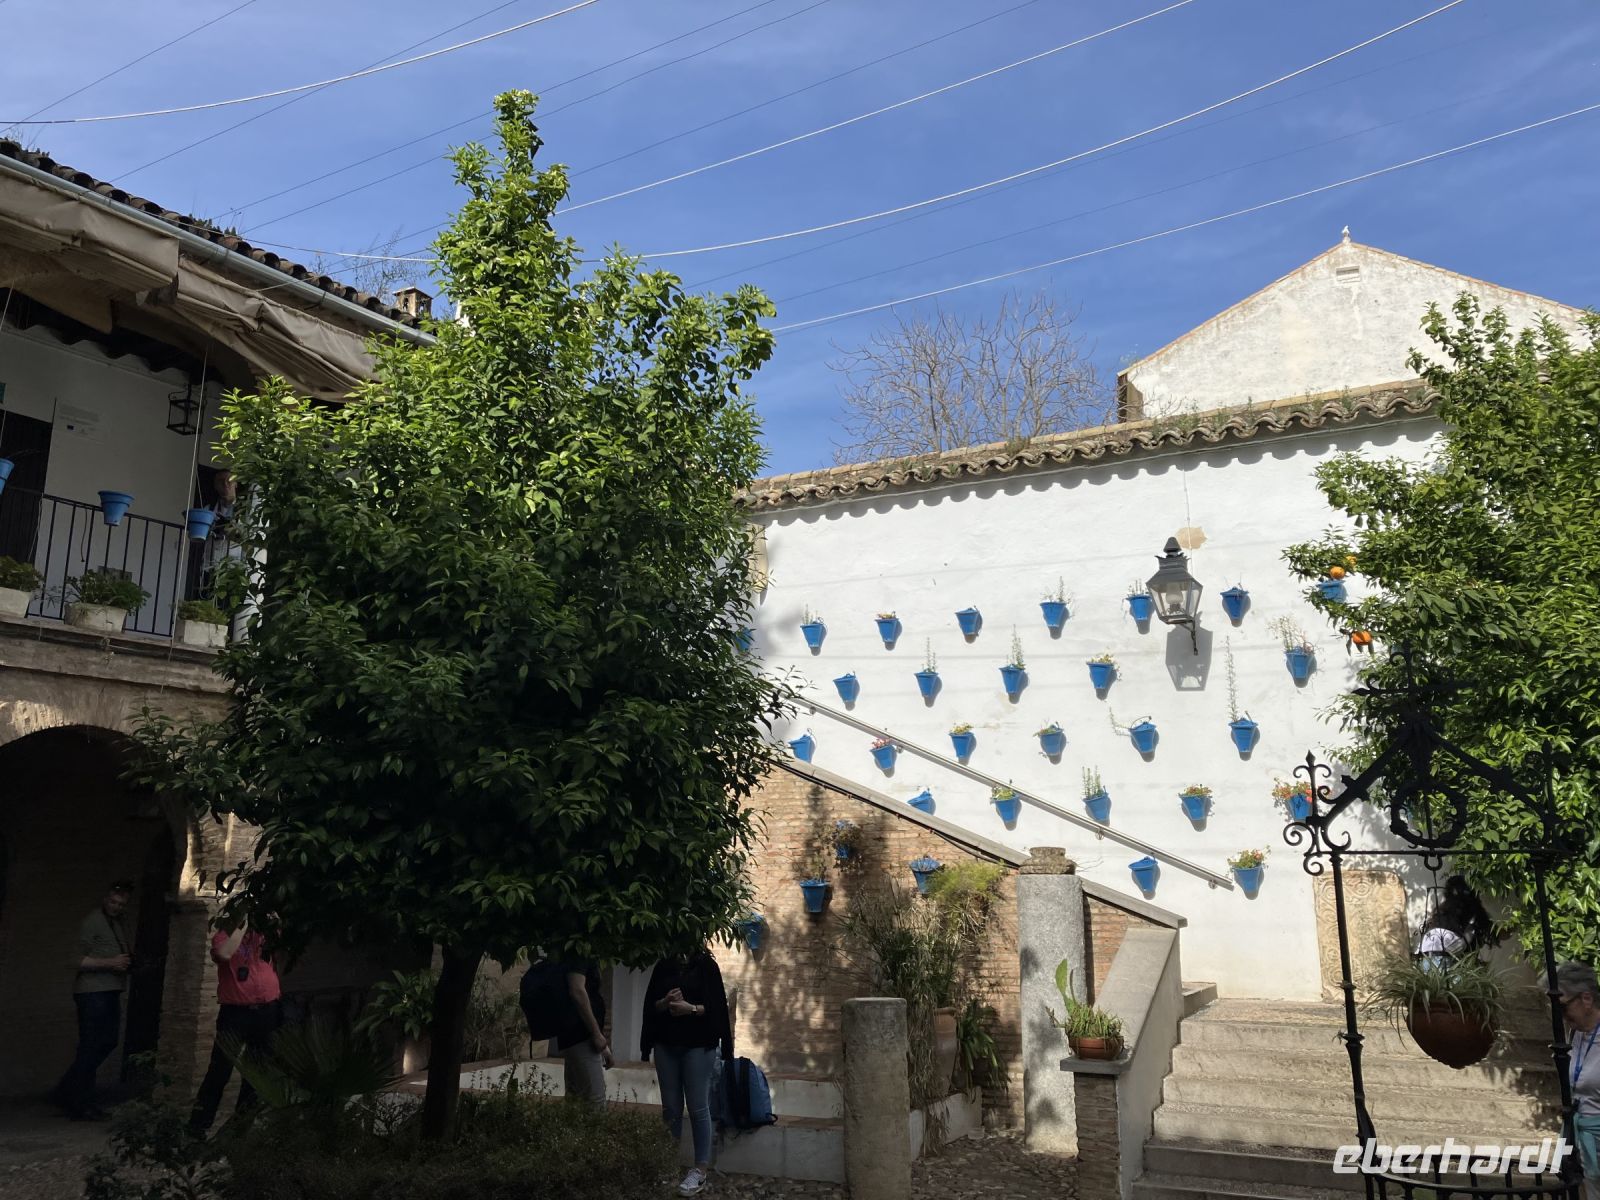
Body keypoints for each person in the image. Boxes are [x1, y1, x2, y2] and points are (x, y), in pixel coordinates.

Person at [641, 949, 734, 1198]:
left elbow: (716, 1009)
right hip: (665, 1044)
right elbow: (651, 1005)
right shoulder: (664, 964)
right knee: (670, 1108)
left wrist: (690, 1008)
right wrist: (665, 1003)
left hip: (698, 1045)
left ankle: (700, 1169)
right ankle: (668, 1166)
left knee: (697, 1106)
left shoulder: (706, 967)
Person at [188, 918, 283, 1133]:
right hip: (236, 1013)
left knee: (256, 1072)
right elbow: (224, 954)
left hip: (266, 1011)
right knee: (219, 1070)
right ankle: (197, 1129)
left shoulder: (265, 936)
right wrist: (243, 925)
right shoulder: (225, 935)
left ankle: (239, 1129)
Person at [53, 881, 134, 1120]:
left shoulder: (116, 923)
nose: (116, 906)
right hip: (92, 992)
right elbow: (74, 959)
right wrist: (111, 963)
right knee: (91, 1045)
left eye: (121, 904)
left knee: (106, 1042)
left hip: (109, 990)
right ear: (105, 899)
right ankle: (79, 1101)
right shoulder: (93, 922)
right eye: (113, 902)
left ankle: (68, 1089)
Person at [1559, 962, 1600, 1200]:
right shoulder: (1574, 1033)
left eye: (1563, 1007)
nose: (1561, 1016)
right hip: (1580, 1136)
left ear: (1586, 998)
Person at [553, 959, 611, 1106]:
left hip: (578, 1036)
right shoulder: (580, 955)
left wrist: (602, 1043)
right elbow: (577, 990)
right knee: (595, 1102)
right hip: (581, 1036)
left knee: (575, 1101)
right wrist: (596, 1034)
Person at [1417, 876, 1496, 969]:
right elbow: (1498, 933)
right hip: (1445, 953)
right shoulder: (1472, 908)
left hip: (1426, 951)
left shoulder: (1444, 908)